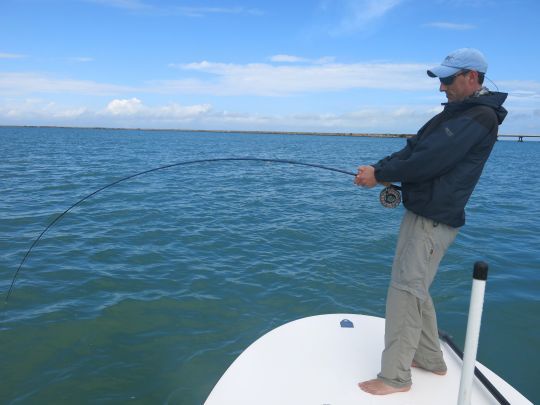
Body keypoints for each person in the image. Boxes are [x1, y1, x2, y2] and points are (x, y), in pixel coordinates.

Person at [354, 48, 507, 395]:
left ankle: (395, 377)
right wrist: (379, 170)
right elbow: (414, 148)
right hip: (426, 214)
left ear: (472, 77)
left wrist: (380, 175)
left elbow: (429, 160)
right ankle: (430, 358)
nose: (442, 87)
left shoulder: (480, 117)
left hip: (433, 219)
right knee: (415, 288)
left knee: (405, 292)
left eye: (447, 79)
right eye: (440, 80)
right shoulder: (455, 114)